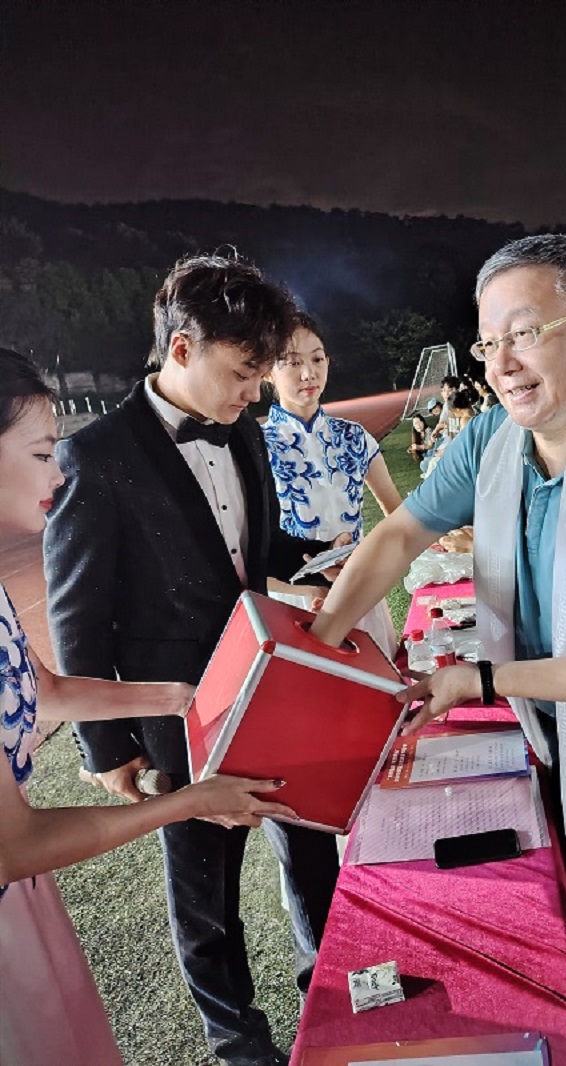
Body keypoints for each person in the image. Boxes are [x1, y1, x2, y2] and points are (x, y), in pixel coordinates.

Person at [311, 234, 566, 979]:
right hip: (542, 709)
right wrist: (319, 645)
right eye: (488, 342)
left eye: (525, 334)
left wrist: (483, 681)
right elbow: (399, 534)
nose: (500, 364)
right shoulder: (493, 439)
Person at [44, 254, 341, 1066]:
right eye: (244, 372)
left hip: (271, 684)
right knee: (206, 893)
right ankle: (240, 1043)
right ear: (182, 348)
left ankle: (330, 996)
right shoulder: (96, 455)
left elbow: (254, 548)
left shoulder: (243, 430)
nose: (256, 392)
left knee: (311, 848)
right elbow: (77, 613)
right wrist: (107, 748)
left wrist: (327, 559)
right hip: (178, 717)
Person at [0, 349, 296, 1066]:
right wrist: (178, 795)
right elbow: (15, 843)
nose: (56, 473)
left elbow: (43, 687)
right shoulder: (104, 454)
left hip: (29, 901)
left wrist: (180, 696)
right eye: (40, 454)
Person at [262, 312, 401, 653]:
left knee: (378, 679)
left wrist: (370, 563)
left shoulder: (355, 437)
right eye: (292, 362)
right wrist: (305, 590)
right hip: (292, 606)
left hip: (358, 593)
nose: (308, 373)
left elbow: (399, 517)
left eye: (317, 359)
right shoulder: (257, 447)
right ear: (267, 371)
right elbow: (246, 553)